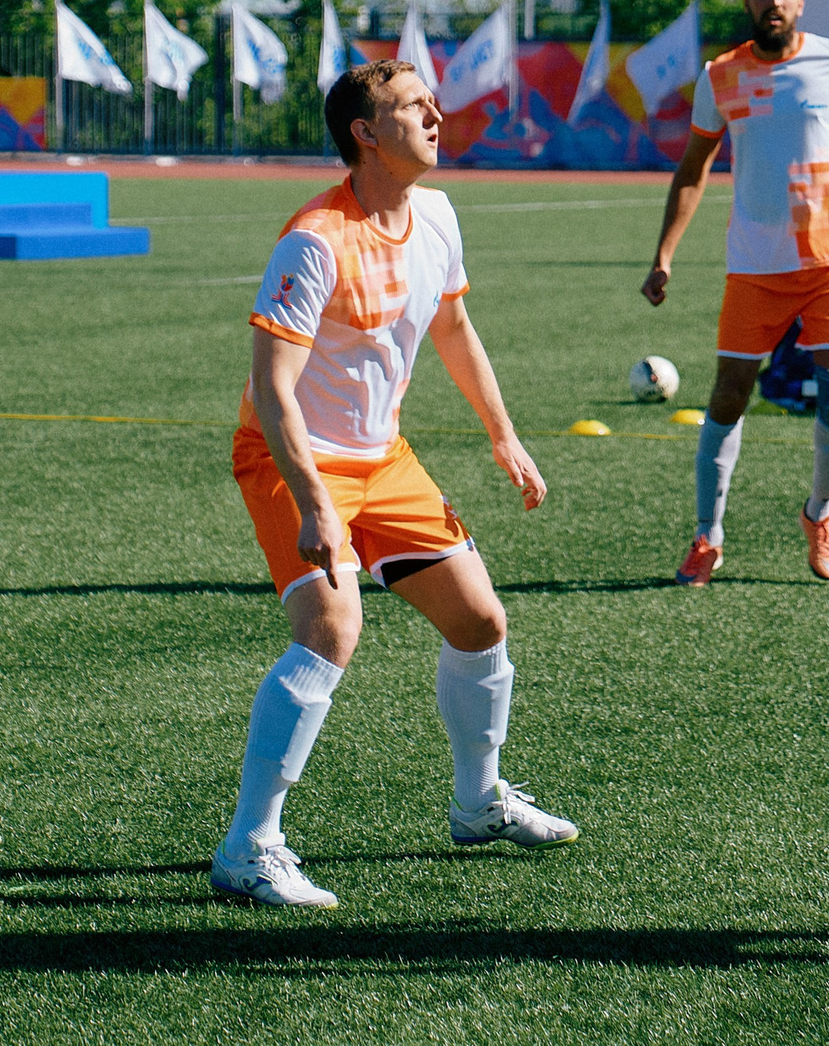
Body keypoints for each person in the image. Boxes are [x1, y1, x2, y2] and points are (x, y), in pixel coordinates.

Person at [213, 60, 576, 909]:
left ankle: (478, 802)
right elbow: (273, 387)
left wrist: (504, 435)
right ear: (365, 135)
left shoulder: (438, 215)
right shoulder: (313, 239)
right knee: (332, 627)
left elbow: (453, 325)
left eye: (430, 100)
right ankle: (249, 845)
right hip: (291, 454)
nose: (435, 114)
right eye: (412, 106)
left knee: (481, 619)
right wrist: (312, 504)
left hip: (385, 457)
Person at [642, 0, 829, 587]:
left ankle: (819, 513)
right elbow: (693, 167)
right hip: (755, 266)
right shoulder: (722, 75)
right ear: (748, 1)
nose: (775, 1)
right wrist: (663, 255)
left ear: (801, 1)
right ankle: (707, 536)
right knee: (729, 396)